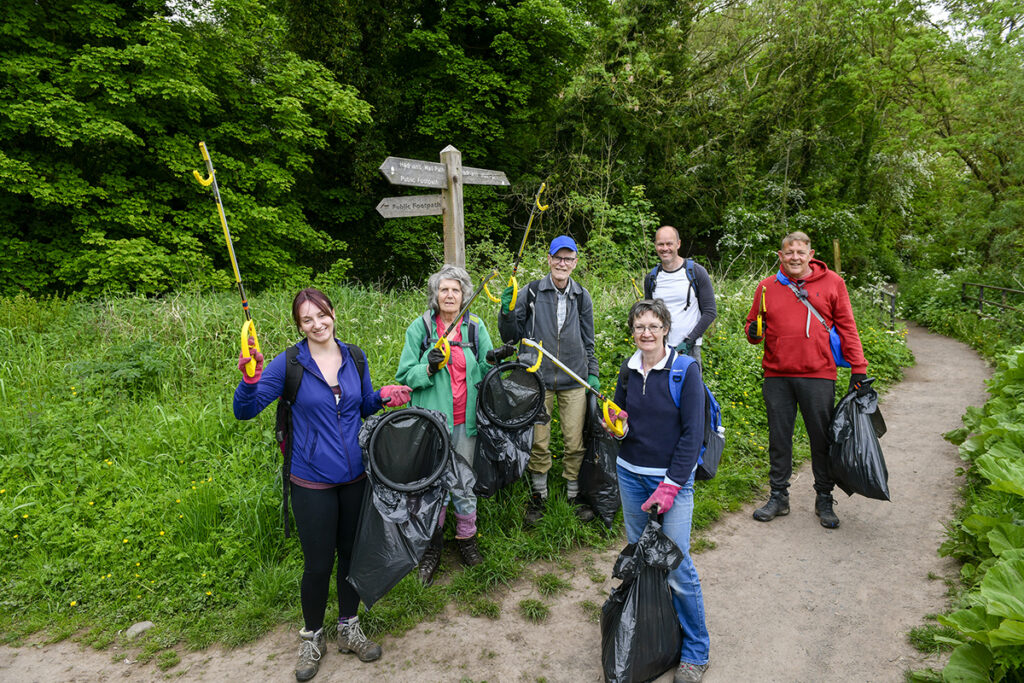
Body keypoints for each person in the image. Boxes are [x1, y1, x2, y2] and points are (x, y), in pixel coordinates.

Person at [233, 288, 412, 681]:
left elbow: (360, 404)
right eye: (307, 320)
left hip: (355, 478)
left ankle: (348, 626)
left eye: (322, 315)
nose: (317, 324)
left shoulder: (355, 356)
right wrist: (250, 379)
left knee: (350, 556)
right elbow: (244, 411)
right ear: (299, 326)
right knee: (318, 564)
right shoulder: (288, 364)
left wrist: (381, 396)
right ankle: (313, 636)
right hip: (311, 480)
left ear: (333, 312)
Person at [604, 299, 711, 683]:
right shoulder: (628, 369)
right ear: (632, 331)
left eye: (653, 325)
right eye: (639, 326)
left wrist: (670, 485)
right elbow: (622, 420)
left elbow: (692, 435)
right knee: (645, 561)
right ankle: (659, 635)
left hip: (671, 483)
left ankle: (696, 651)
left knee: (677, 566)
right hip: (630, 474)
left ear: (666, 329)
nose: (645, 333)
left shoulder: (686, 371)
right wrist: (616, 426)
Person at [396, 265, 515, 585]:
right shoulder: (419, 329)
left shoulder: (475, 327)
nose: (449, 295)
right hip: (431, 424)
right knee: (430, 486)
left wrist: (496, 358)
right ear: (435, 295)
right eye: (444, 289)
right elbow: (405, 375)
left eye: (456, 290)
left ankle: (466, 541)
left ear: (464, 295)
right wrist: (429, 368)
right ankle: (432, 548)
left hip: (466, 423)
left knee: (463, 482)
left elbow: (486, 363)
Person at [744, 231, 868, 529]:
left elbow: (848, 327)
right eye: (789, 252)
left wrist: (858, 367)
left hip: (818, 375)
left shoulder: (833, 283)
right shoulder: (766, 288)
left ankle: (824, 498)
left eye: (801, 252)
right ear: (780, 255)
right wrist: (753, 332)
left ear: (811, 254)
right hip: (777, 375)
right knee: (779, 438)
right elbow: (752, 326)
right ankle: (778, 496)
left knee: (821, 439)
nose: (795, 257)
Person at [498, 235, 599, 525]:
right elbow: (510, 336)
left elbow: (589, 340)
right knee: (539, 441)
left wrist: (592, 373)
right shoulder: (531, 292)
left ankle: (573, 493)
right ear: (549, 259)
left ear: (575, 262)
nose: (562, 263)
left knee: (574, 440)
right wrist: (506, 311)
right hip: (536, 380)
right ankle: (539, 496)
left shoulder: (582, 296)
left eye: (568, 258)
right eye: (558, 258)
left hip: (573, 379)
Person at [643, 226, 718, 367]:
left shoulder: (696, 272)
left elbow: (710, 312)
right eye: (660, 244)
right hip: (659, 349)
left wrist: (689, 341)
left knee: (690, 389)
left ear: (678, 244)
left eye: (669, 244)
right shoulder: (651, 278)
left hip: (689, 350)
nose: (665, 248)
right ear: (655, 246)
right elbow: (648, 315)